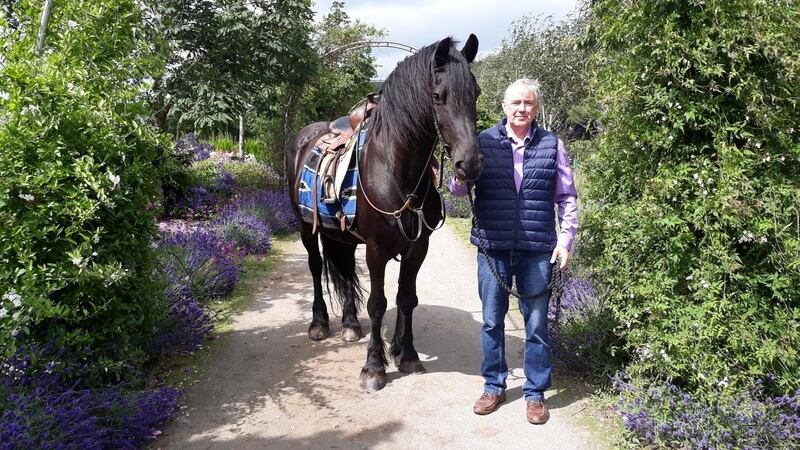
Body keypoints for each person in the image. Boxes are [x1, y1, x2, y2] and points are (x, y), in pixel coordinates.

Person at [449, 78, 578, 425]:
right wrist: (459, 177)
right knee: (492, 322)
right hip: (493, 249)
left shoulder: (552, 145)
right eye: (516, 103)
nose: (522, 109)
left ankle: (535, 393)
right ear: (504, 107)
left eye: (529, 103)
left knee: (536, 325)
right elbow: (459, 191)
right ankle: (494, 385)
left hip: (538, 249)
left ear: (535, 108)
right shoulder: (483, 142)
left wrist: (565, 242)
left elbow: (567, 197)